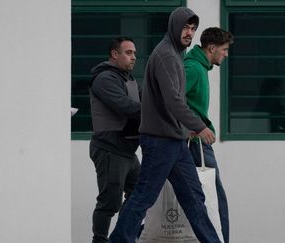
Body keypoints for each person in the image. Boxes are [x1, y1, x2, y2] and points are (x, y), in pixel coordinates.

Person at [109, 7, 222, 243]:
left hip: (175, 140)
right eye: (185, 27)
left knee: (194, 197)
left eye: (192, 28)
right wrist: (199, 125)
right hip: (161, 141)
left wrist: (184, 128)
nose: (189, 33)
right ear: (173, 26)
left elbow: (167, 101)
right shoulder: (167, 55)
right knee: (143, 198)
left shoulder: (173, 54)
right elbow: (174, 100)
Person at [89, 36, 142, 243]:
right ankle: (100, 240)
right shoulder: (105, 79)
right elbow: (125, 106)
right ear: (114, 54)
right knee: (109, 202)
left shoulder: (128, 78)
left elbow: (142, 99)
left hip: (128, 151)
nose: (134, 57)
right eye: (129, 53)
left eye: (135, 53)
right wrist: (156, 111)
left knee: (139, 196)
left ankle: (122, 236)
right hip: (110, 149)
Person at [183, 27, 233, 243]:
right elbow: (173, 99)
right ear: (211, 48)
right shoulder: (193, 68)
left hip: (194, 139)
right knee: (214, 196)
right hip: (194, 142)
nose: (226, 54)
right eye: (224, 49)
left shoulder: (199, 67)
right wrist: (196, 126)